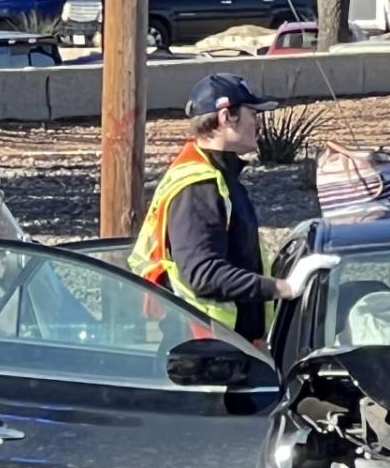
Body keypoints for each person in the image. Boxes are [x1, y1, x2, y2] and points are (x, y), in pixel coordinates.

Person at [128, 72, 300, 347]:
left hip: (220, 347)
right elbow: (203, 274)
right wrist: (283, 288)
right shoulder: (198, 187)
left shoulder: (216, 176)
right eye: (252, 113)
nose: (258, 121)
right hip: (207, 353)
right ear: (226, 117)